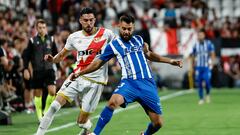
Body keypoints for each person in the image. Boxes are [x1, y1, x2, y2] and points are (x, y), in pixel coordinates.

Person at [70, 14, 182, 135]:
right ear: (119, 27)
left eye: (129, 29)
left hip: (147, 84)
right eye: (124, 28)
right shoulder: (113, 45)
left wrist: (171, 61)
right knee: (112, 102)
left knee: (158, 124)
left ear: (133, 28)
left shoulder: (139, 40)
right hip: (129, 83)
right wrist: (81, 72)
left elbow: (149, 54)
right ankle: (95, 133)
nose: (126, 32)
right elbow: (97, 63)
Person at [36, 7, 116, 135]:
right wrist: (52, 59)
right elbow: (61, 56)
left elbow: (119, 48)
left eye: (91, 20)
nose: (89, 23)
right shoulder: (74, 37)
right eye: (85, 20)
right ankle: (38, 134)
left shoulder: (107, 34)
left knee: (81, 122)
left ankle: (86, 128)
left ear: (95, 20)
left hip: (96, 82)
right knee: (54, 106)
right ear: (80, 20)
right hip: (77, 76)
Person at [22, 19, 58, 121]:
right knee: (38, 94)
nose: (42, 29)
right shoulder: (32, 41)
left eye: (43, 27)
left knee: (52, 92)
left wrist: (58, 68)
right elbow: (26, 56)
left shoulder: (51, 39)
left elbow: (56, 54)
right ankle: (39, 116)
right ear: (36, 28)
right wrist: (25, 69)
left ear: (46, 28)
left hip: (49, 69)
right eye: (39, 27)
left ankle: (46, 111)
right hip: (37, 70)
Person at [189, 29, 215, 105]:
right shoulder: (195, 45)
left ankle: (207, 94)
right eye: (199, 35)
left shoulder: (209, 43)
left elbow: (212, 53)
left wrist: (212, 63)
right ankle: (201, 98)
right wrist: (192, 66)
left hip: (206, 67)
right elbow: (193, 56)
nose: (200, 36)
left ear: (204, 35)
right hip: (198, 67)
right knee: (199, 83)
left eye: (201, 35)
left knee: (207, 82)